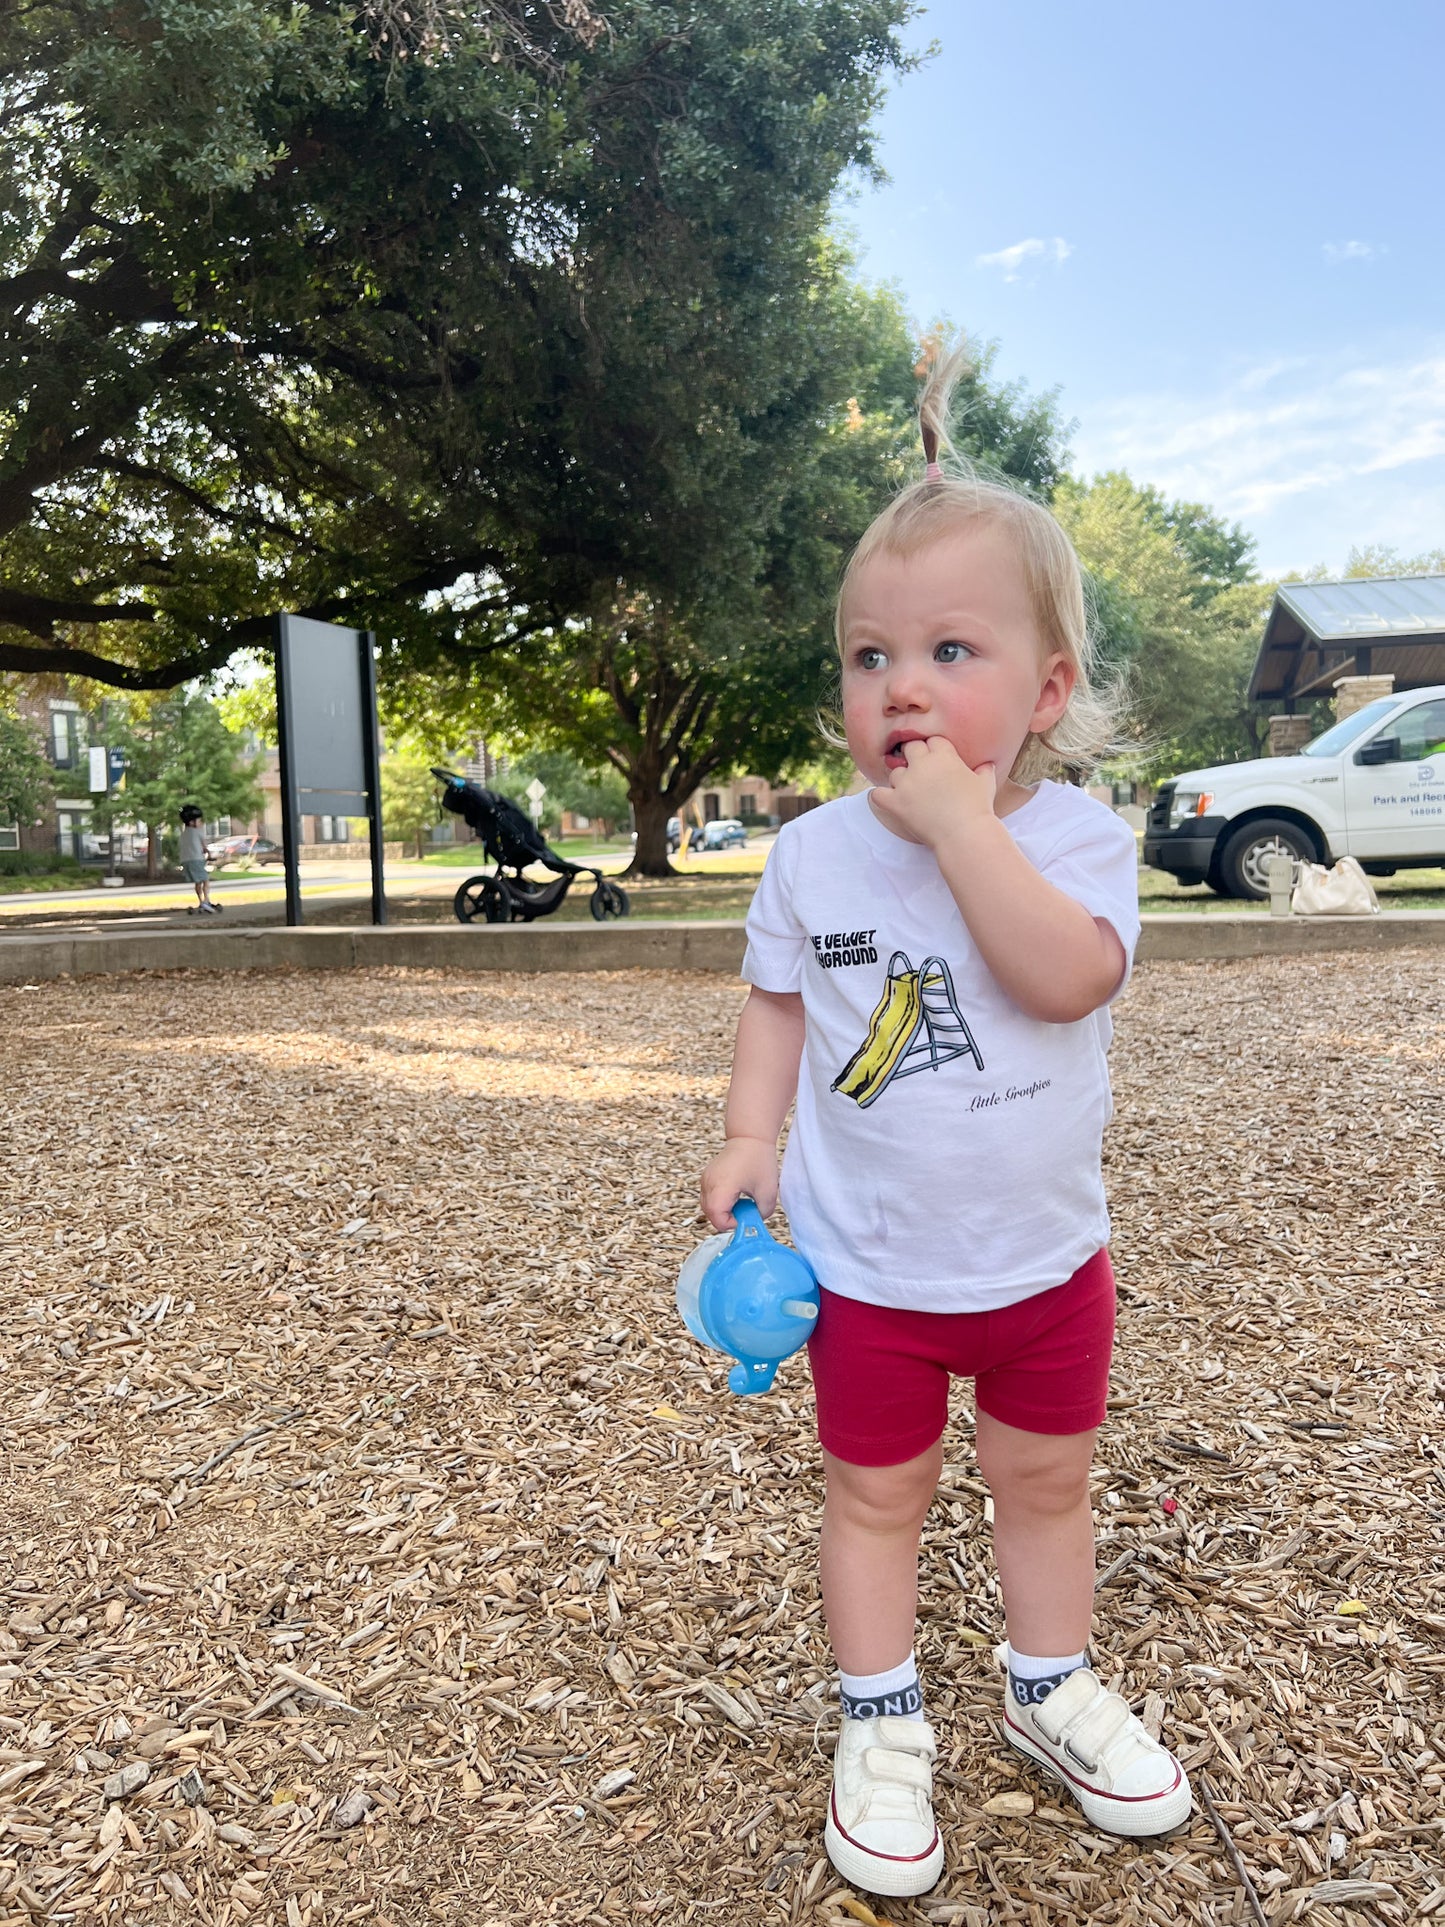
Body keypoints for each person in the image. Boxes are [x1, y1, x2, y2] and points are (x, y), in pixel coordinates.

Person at [698, 349, 1191, 1898]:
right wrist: (749, 1137)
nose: (897, 685)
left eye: (950, 648)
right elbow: (778, 1001)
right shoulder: (813, 860)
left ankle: (1048, 1683)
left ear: (1045, 692)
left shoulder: (1070, 839)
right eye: (865, 654)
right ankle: (881, 1714)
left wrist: (967, 826)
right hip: (872, 1271)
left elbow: (1064, 978)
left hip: (1046, 1263)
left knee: (1046, 1484)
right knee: (874, 1495)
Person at [178, 804, 221, 915]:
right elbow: (204, 847)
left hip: (186, 861)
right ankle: (206, 901)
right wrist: (209, 855)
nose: (201, 822)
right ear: (192, 822)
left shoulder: (183, 834)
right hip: (196, 860)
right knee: (206, 880)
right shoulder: (198, 831)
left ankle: (201, 901)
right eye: (199, 820)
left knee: (198, 882)